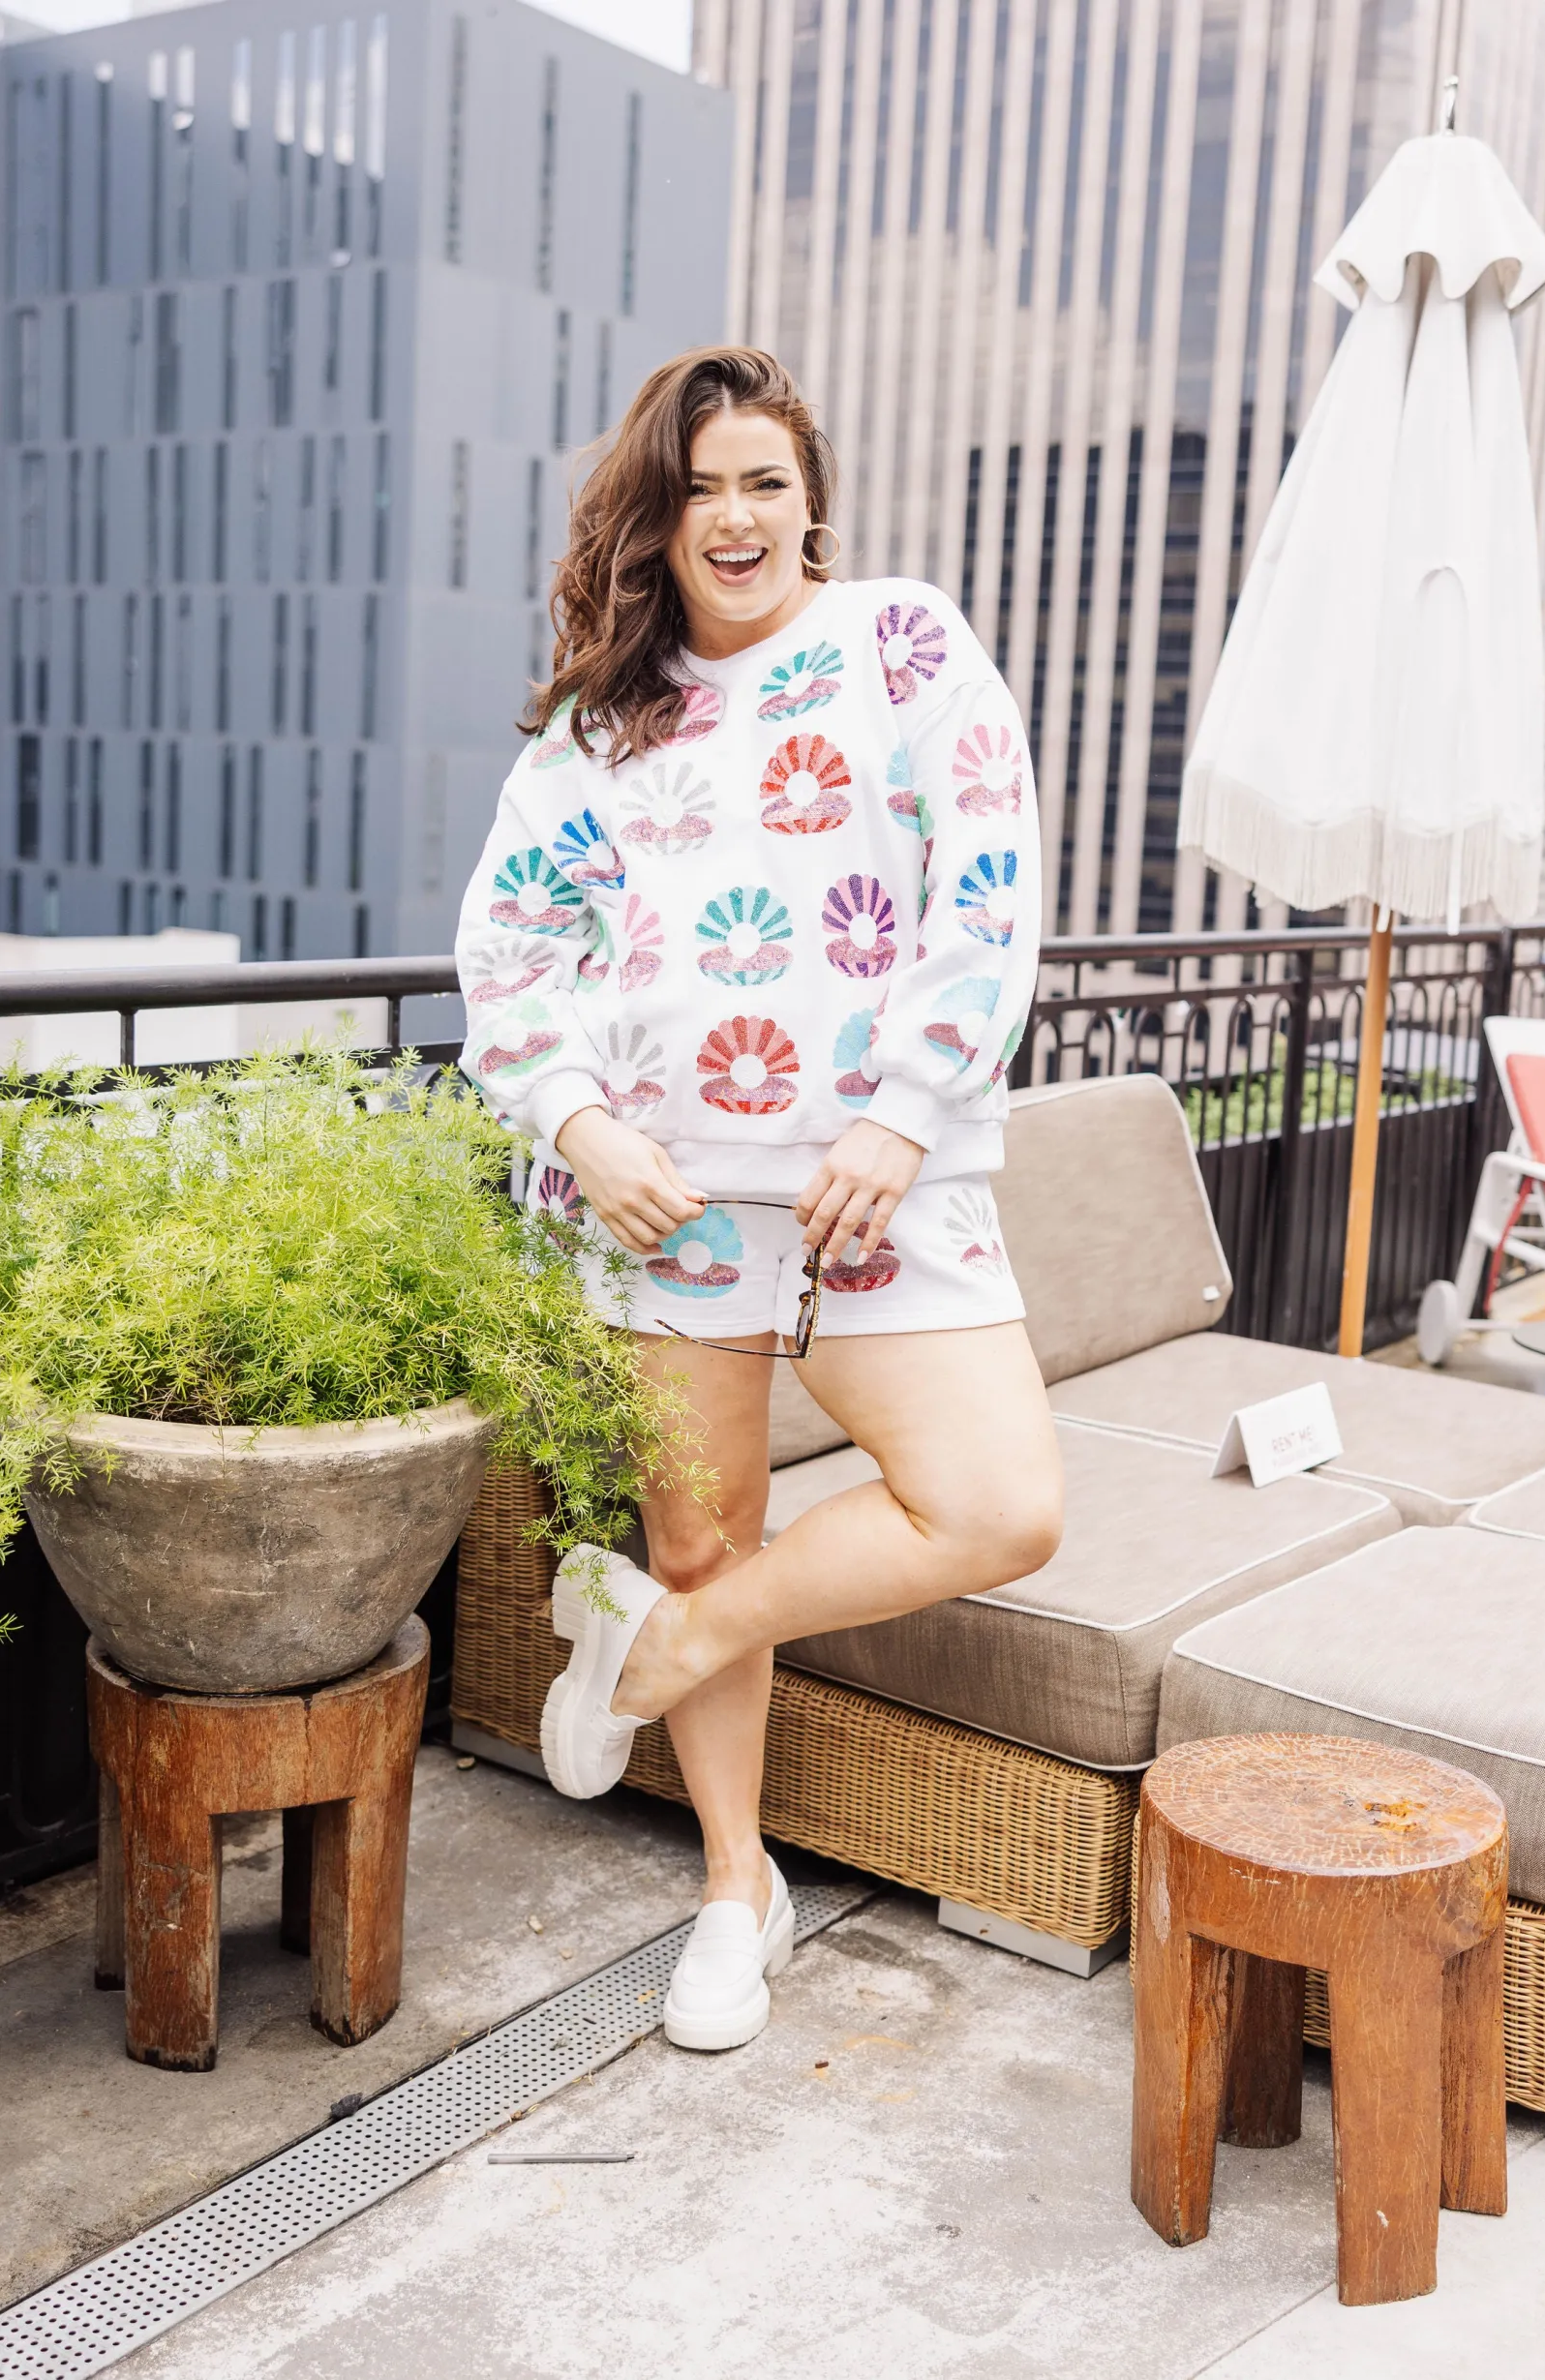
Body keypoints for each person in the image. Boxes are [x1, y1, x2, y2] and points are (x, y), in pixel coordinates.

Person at [456, 346, 1063, 2054]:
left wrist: (905, 1112)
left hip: (883, 1187)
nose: (733, 517)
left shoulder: (900, 645)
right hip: (665, 1206)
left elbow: (990, 883)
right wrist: (580, 1125)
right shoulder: (600, 724)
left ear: (812, 501)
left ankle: (651, 1649)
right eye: (698, 488)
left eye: (763, 483)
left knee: (998, 1502)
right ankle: (738, 1889)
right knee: (699, 1529)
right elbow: (507, 953)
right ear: (658, 518)